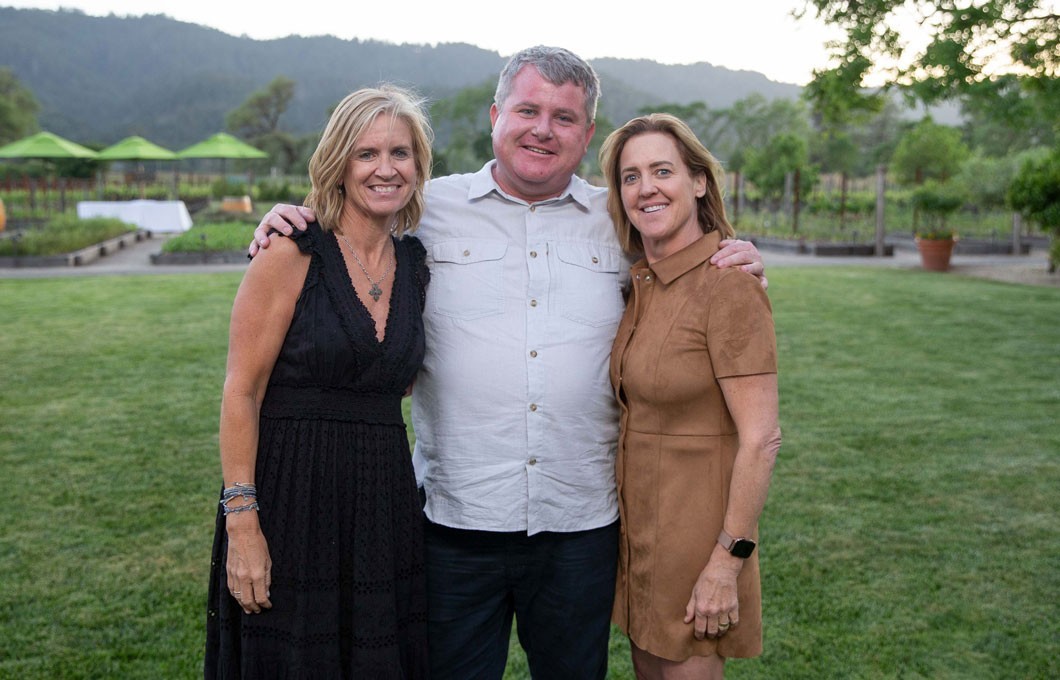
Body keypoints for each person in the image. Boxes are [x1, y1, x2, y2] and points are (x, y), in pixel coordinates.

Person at [250, 47, 768, 679]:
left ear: (587, 134)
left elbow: (690, 264)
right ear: (496, 114)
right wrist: (288, 219)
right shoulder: (425, 210)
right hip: (454, 524)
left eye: (564, 117)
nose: (542, 129)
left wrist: (742, 257)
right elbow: (347, 226)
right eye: (527, 109)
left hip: (581, 525)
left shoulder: (623, 219)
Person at [204, 85, 433, 678]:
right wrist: (243, 521)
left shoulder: (416, 268)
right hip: (289, 505)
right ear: (338, 164)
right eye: (367, 154)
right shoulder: (290, 252)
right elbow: (241, 391)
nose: (386, 169)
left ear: (418, 165)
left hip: (383, 509)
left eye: (401, 153)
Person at [599, 113, 781, 679]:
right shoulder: (642, 286)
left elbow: (761, 438)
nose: (645, 188)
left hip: (699, 543)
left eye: (661, 171)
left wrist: (728, 561)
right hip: (642, 537)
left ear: (699, 181)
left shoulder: (728, 283)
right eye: (630, 177)